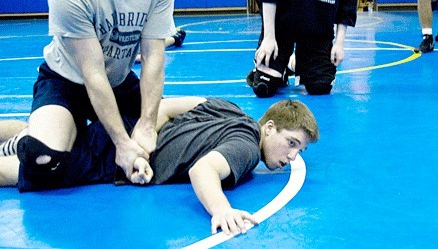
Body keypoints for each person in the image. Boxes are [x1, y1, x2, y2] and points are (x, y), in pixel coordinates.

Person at [17, 0, 177, 192]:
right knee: (45, 162)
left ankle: (61, 133)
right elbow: (93, 74)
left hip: (117, 79)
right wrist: (122, 144)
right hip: (67, 81)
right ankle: (24, 137)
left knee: (166, 138)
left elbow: (153, 55)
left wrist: (146, 122)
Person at [0, 96, 319, 237]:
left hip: (122, 128)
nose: (293, 156)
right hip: (111, 158)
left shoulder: (230, 108)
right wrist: (221, 209)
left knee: (39, 136)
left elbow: (165, 107)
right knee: (19, 171)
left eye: (299, 150)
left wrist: (143, 139)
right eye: (292, 143)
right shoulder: (246, 147)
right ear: (270, 127)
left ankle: (25, 135)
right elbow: (203, 170)